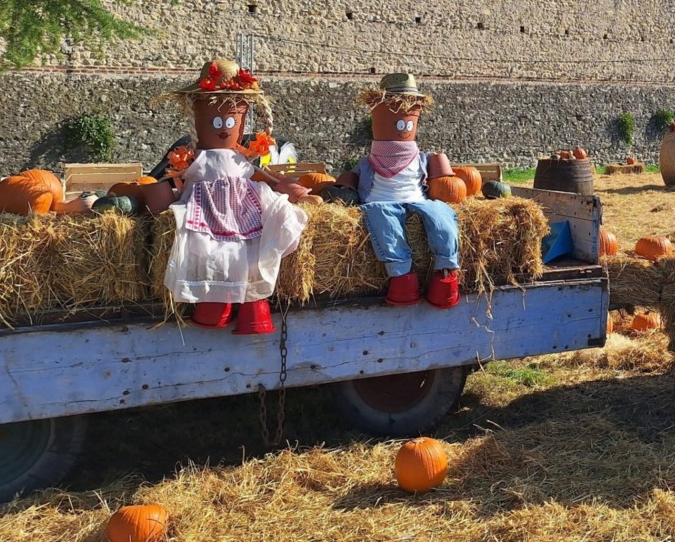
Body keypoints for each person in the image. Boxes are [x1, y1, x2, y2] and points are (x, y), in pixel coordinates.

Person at [151, 59, 309, 335]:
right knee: (213, 251)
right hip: (208, 207)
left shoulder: (237, 157)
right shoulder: (199, 158)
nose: (224, 127)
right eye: (216, 120)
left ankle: (235, 309)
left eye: (230, 120)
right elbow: (177, 176)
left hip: (241, 206)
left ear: (241, 119)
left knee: (241, 250)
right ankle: (233, 309)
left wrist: (282, 185)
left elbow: (257, 173)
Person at [335, 73, 461, 309]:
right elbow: (349, 181)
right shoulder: (368, 161)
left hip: (417, 197)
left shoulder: (423, 157)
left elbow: (446, 182)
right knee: (383, 221)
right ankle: (402, 276)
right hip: (379, 200)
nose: (404, 126)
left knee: (442, 217)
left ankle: (446, 272)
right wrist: (340, 190)